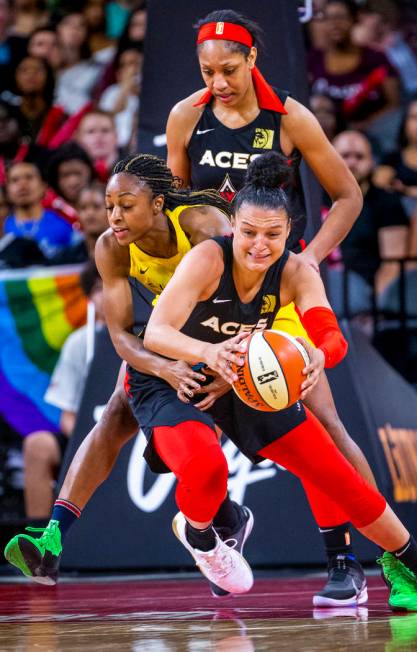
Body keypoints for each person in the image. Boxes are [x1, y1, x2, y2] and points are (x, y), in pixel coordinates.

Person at [130, 151, 417, 610]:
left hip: (242, 376)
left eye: (272, 235)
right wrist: (208, 353)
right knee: (206, 469)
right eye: (249, 233)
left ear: (290, 232)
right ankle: (199, 533)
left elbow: (331, 336)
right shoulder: (207, 259)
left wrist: (318, 353)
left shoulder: (294, 271)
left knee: (340, 477)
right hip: (176, 374)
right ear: (232, 226)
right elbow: (156, 332)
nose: (259, 245)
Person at [166, 8, 378, 607]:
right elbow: (181, 208)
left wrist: (307, 260)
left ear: (253, 59)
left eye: (229, 69)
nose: (218, 82)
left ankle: (349, 560)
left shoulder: (290, 116)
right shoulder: (186, 116)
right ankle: (220, 521)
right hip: (218, 291)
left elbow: (347, 196)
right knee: (152, 397)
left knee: (323, 424)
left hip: (279, 290)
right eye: (207, 71)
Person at [3, 153, 251, 594]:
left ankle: (233, 521)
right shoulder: (111, 246)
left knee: (151, 426)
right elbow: (121, 335)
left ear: (157, 204)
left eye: (126, 205)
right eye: (108, 204)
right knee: (120, 414)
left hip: (230, 335)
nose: (113, 216)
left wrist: (206, 362)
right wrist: (166, 367)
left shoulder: (202, 226)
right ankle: (53, 537)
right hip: (170, 337)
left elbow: (241, 300)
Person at [23, 261, 104, 519]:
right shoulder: (79, 342)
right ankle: (37, 546)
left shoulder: (147, 334)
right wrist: (88, 438)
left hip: (140, 435)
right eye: (99, 288)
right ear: (89, 296)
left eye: (114, 286)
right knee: (37, 446)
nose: (107, 296)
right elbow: (67, 414)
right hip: (88, 434)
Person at [333, 130, 409, 295]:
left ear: (372, 162)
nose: (352, 163)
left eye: (359, 157)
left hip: (368, 296)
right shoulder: (314, 200)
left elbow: (393, 264)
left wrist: (374, 305)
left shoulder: (388, 202)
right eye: (345, 156)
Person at [307, 0, 400, 129]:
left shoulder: (376, 58)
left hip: (372, 132)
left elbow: (393, 104)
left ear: (353, 20)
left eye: (340, 17)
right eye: (328, 18)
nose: (335, 24)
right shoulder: (314, 58)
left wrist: (367, 124)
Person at [4, 160, 75, 261]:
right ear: (7, 190)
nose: (22, 185)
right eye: (15, 180)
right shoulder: (2, 228)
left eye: (29, 177)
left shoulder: (62, 225)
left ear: (44, 186)